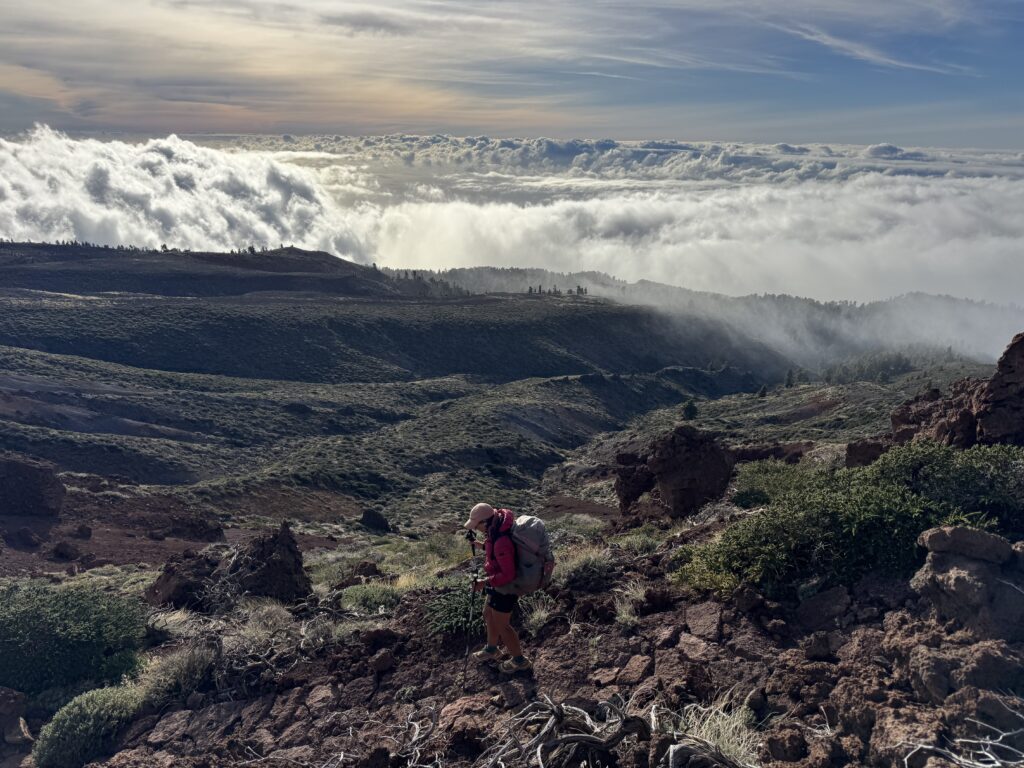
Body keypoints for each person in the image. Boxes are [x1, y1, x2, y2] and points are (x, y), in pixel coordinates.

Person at [464, 502, 532, 673]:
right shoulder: (496, 529)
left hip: (506, 587)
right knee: (488, 614)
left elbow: (508, 574)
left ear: (485, 522)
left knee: (503, 625)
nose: (476, 528)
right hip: (496, 582)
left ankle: (520, 661)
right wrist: (478, 544)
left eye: (477, 525)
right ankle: (492, 649)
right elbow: (492, 549)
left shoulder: (501, 539)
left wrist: (483, 582)